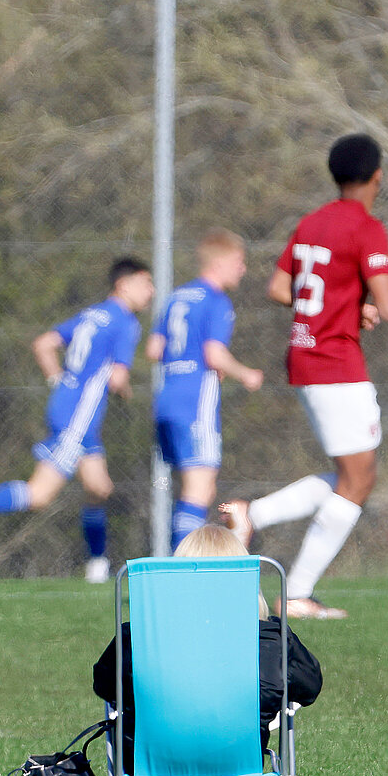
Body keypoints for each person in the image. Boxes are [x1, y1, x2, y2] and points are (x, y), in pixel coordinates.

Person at [219, 134, 388, 619]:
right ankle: (297, 590)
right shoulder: (366, 227)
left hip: (306, 356)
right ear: (377, 176)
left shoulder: (312, 222)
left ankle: (257, 520)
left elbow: (278, 287)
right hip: (336, 363)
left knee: (351, 476)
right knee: (359, 479)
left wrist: (347, 307)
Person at [90, 524, 322, 776]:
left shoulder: (141, 635)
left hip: (148, 763)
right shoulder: (270, 639)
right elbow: (309, 688)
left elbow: (104, 686)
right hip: (238, 760)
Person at [0, 258, 155, 583]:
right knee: (40, 495)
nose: (151, 292)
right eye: (146, 284)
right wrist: (125, 389)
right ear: (123, 284)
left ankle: (97, 567)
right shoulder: (126, 322)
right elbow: (117, 379)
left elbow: (43, 344)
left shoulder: (92, 314)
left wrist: (59, 381)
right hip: (79, 418)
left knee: (99, 488)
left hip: (68, 406)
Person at [145, 230, 263, 553]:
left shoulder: (177, 297)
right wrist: (245, 374)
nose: (242, 269)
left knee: (191, 488)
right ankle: (180, 569)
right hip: (196, 401)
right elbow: (213, 354)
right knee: (200, 489)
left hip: (167, 399)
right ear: (220, 262)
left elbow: (154, 349)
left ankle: (177, 562)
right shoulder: (216, 300)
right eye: (239, 262)